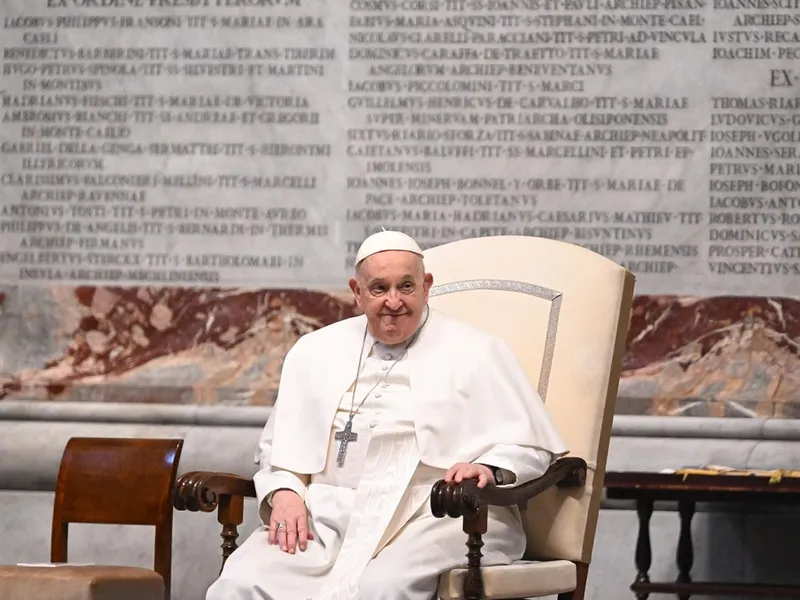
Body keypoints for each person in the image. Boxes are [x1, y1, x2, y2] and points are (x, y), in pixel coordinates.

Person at [206, 231, 568, 600]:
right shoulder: (315, 351)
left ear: (426, 287)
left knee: (380, 587)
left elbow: (530, 444)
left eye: (406, 286)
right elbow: (279, 449)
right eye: (379, 288)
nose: (393, 302)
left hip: (436, 517)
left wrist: (490, 468)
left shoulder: (478, 352)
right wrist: (285, 491)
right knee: (240, 583)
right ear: (357, 291)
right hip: (328, 517)